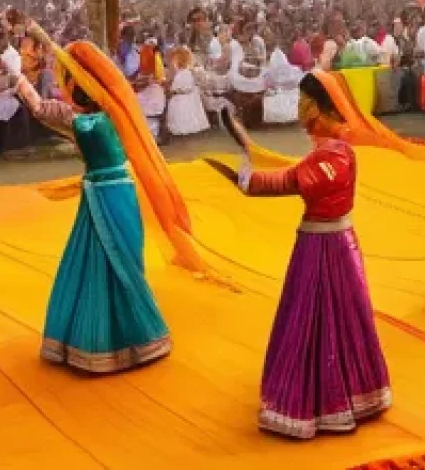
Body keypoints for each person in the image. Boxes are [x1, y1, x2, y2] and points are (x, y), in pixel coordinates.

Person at [225, 75, 391, 438]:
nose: (298, 107)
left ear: (317, 106)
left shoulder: (331, 156)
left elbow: (289, 181)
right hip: (332, 243)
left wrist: (243, 173)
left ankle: (321, 401)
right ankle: (352, 390)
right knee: (341, 318)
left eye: (302, 100)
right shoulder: (334, 149)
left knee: (317, 318)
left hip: (324, 249)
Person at [8, 24, 172, 372]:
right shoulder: (117, 114)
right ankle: (138, 340)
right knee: (122, 262)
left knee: (98, 264)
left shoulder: (84, 123)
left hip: (101, 197)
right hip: (119, 193)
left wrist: (19, 77)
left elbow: (41, 109)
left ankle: (108, 344)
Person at [166, 45, 210, 137]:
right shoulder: (185, 72)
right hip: (187, 96)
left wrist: (173, 91)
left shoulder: (183, 73)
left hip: (184, 97)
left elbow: (181, 88)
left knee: (176, 104)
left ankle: (183, 127)